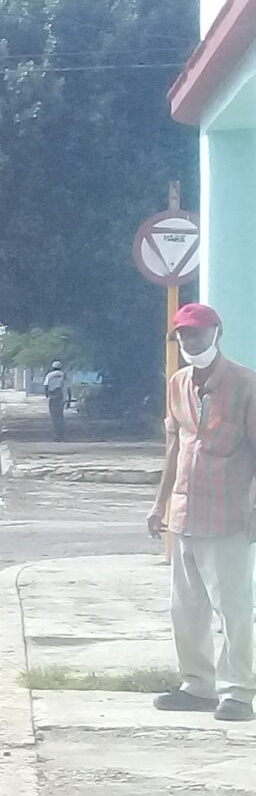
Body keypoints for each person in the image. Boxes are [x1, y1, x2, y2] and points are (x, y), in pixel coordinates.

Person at [151, 302, 256, 723]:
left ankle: (239, 692)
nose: (191, 341)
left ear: (217, 333)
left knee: (233, 607)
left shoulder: (246, 385)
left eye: (198, 333)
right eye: (184, 335)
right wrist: (158, 504)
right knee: (186, 607)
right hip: (184, 512)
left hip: (229, 514)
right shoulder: (178, 383)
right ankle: (197, 686)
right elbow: (175, 446)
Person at [42, 358, 69, 440]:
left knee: (54, 417)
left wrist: (46, 395)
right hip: (60, 397)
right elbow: (68, 387)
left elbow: (46, 386)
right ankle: (62, 435)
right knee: (60, 415)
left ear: (53, 367)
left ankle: (57, 435)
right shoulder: (63, 375)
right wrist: (69, 400)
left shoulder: (49, 375)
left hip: (53, 396)